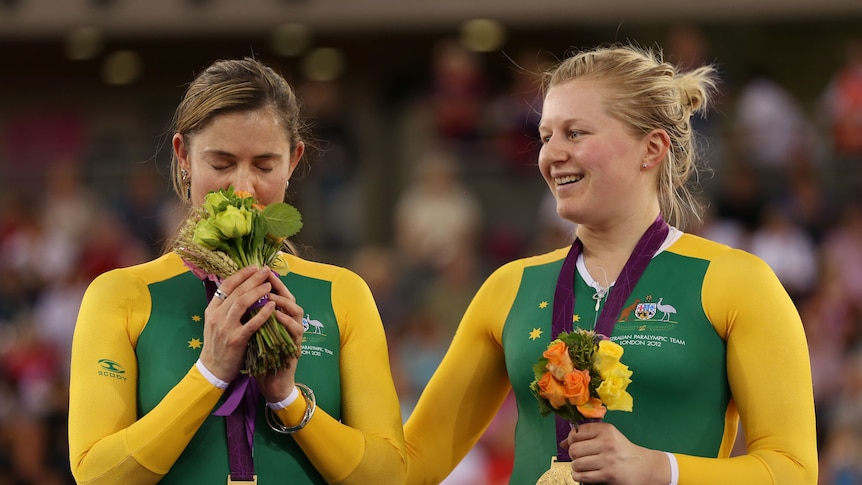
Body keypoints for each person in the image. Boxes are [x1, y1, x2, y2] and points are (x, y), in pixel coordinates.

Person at [404, 44, 818, 484]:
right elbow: (409, 464)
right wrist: (319, 414)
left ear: (652, 148)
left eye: (575, 133)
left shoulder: (735, 282)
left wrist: (661, 469)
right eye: (546, 136)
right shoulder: (509, 286)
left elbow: (792, 470)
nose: (551, 155)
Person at [68, 57, 406, 484]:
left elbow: (388, 476)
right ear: (183, 156)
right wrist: (209, 372)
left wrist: (288, 399)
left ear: (293, 161)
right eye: (222, 164)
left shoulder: (343, 293)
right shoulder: (122, 294)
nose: (243, 189)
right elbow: (97, 477)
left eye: (265, 166)